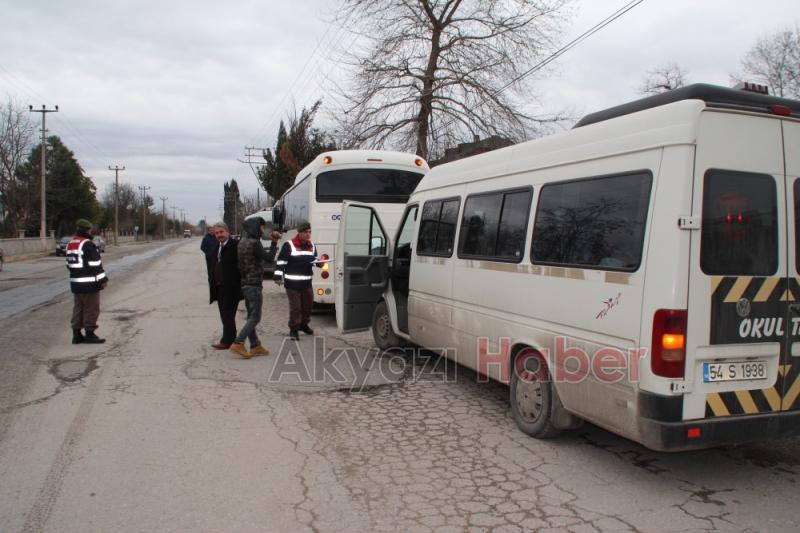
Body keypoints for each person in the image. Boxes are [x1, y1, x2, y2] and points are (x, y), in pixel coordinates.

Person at [229, 217, 273, 359]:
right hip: (254, 285)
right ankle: (238, 342)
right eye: (261, 227)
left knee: (250, 315)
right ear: (255, 227)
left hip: (245, 283)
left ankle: (255, 345)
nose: (262, 230)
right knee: (255, 317)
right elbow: (269, 258)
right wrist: (275, 241)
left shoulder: (241, 242)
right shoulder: (255, 243)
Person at [66, 218, 108, 344]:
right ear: (87, 230)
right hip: (89, 284)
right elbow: (95, 264)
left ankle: (76, 334)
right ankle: (90, 333)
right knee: (91, 308)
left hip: (76, 283)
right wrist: (103, 279)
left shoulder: (71, 243)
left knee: (78, 308)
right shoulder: (87, 244)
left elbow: (68, 264)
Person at [274, 221, 317, 340]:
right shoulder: (289, 245)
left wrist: (321, 263)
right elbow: (281, 261)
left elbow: (314, 260)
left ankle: (303, 325)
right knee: (296, 308)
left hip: (307, 283)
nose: (308, 234)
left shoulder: (312, 245)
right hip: (292, 284)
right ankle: (293, 329)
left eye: (309, 232)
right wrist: (278, 276)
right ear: (300, 233)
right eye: (305, 232)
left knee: (308, 306)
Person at [208, 222, 242, 349]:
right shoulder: (217, 246)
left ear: (228, 232)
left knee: (227, 315)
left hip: (231, 288)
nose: (219, 235)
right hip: (219, 287)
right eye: (217, 233)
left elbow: (241, 267)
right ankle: (231, 339)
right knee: (224, 315)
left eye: (221, 232)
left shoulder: (235, 246)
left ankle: (227, 341)